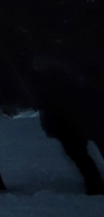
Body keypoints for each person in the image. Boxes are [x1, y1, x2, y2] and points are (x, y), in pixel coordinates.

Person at [32, 56, 104, 195]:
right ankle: (94, 183)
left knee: (80, 156)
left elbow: (48, 106)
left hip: (68, 125)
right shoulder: (70, 80)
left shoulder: (49, 84)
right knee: (82, 155)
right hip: (80, 122)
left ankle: (95, 184)